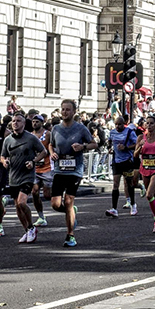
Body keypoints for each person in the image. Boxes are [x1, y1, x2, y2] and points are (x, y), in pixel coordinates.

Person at [49, 99, 96, 247]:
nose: (64, 112)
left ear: (74, 112)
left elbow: (94, 144)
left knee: (68, 201)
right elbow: (51, 144)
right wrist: (51, 153)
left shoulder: (81, 128)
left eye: (67, 109)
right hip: (59, 169)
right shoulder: (56, 128)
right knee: (55, 204)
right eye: (62, 109)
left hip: (75, 170)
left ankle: (70, 235)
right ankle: (71, 212)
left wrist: (82, 146)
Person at [3, 114, 45, 242]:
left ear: (24, 123)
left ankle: (31, 227)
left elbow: (43, 152)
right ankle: (27, 229)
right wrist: (4, 162)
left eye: (18, 121)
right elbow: (3, 156)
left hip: (27, 176)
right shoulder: (8, 140)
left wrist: (34, 161)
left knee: (22, 202)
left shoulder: (31, 138)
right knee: (17, 206)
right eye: (13, 121)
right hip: (13, 176)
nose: (15, 123)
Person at [136, 115, 155, 233]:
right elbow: (135, 155)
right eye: (147, 123)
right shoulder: (141, 137)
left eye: (151, 123)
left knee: (149, 194)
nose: (149, 125)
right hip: (145, 168)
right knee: (152, 195)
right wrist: (140, 146)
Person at [105, 114, 140, 218]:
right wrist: (110, 148)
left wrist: (126, 147)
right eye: (116, 124)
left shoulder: (129, 132)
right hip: (116, 161)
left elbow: (137, 144)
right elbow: (110, 141)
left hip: (127, 161)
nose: (117, 126)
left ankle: (133, 205)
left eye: (119, 124)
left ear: (124, 124)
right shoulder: (112, 132)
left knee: (129, 183)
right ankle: (114, 209)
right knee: (115, 184)